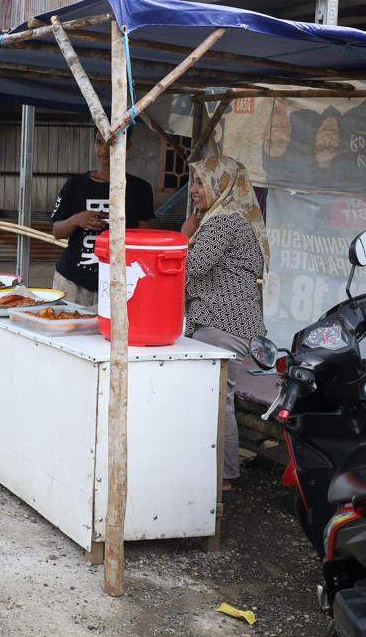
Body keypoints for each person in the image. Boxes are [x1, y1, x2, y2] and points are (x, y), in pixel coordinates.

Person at [181, 155, 269, 497]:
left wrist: (184, 235)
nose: (195, 191)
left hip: (223, 322)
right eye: (195, 182)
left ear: (223, 184)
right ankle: (218, 469)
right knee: (218, 397)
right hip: (225, 323)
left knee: (218, 399)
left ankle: (224, 475)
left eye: (202, 182)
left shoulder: (224, 222)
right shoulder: (230, 217)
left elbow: (191, 267)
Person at [49, 132, 155, 306]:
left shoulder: (140, 189)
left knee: (109, 333)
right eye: (99, 142)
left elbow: (143, 240)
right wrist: (77, 219)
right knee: (65, 328)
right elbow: (57, 232)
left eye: (112, 143)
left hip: (116, 284)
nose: (105, 150)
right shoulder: (75, 185)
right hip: (71, 282)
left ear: (127, 146)